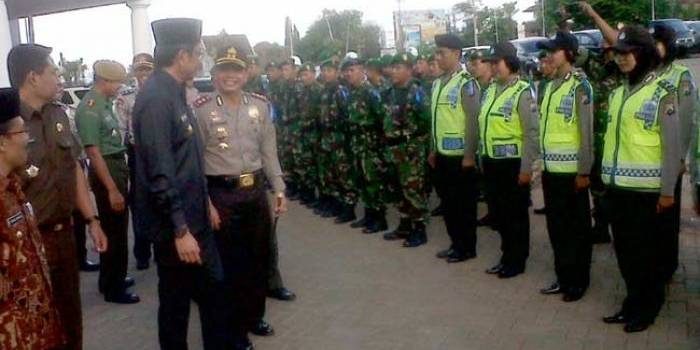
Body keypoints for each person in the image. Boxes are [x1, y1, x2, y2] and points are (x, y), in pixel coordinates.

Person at [131, 18, 231, 349]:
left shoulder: (173, 92)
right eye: (198, 53)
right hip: (179, 230)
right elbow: (161, 171)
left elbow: (187, 162)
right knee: (180, 305)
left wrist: (205, 202)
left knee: (205, 297)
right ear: (182, 56)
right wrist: (180, 230)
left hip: (193, 218)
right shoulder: (157, 99)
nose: (201, 60)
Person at [9, 43, 108, 350]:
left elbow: (74, 169)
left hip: (65, 234)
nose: (59, 77)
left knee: (70, 318)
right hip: (28, 243)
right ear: (32, 78)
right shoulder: (9, 124)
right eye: (53, 71)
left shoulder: (59, 115)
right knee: (34, 322)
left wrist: (92, 219)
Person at [193, 45, 288, 350]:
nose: (230, 76)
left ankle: (253, 316)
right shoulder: (203, 110)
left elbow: (268, 151)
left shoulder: (260, 106)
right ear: (214, 75)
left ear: (246, 74)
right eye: (224, 70)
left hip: (255, 193)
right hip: (221, 195)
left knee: (258, 259)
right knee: (230, 266)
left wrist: (279, 188)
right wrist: (205, 202)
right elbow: (195, 162)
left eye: (236, 70)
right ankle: (233, 330)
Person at [600, 25, 680, 333]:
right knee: (626, 255)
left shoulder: (662, 93)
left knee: (647, 257)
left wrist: (668, 191)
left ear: (644, 54)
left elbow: (671, 148)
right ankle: (632, 303)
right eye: (618, 54)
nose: (621, 59)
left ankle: (648, 308)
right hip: (618, 189)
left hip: (648, 193)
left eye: (627, 53)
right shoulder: (619, 93)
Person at [0, 87, 65, 350]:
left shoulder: (14, 188)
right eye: (21, 132)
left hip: (37, 331)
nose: (28, 138)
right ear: (2, 141)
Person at [536, 32, 594, 302]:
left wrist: (584, 171)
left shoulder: (580, 86)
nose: (549, 55)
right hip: (551, 172)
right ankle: (563, 277)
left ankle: (578, 282)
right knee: (557, 229)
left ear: (568, 53)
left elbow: (586, 132)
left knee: (577, 231)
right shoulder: (550, 86)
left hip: (572, 174)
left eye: (554, 51)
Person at [75, 60, 139, 304]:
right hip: (107, 170)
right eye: (117, 82)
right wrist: (112, 189)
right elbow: (93, 152)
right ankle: (114, 288)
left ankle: (111, 278)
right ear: (105, 81)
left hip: (114, 166)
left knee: (118, 228)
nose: (119, 87)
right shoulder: (90, 108)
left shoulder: (104, 104)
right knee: (115, 232)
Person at [479, 42, 539, 279]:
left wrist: (526, 168)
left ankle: (517, 260)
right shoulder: (490, 90)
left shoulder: (523, 91)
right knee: (500, 215)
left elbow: (531, 133)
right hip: (492, 163)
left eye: (497, 62)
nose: (493, 67)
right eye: (491, 62)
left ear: (510, 63)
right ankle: (506, 256)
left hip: (513, 164)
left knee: (515, 216)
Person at [429, 34, 480, 263]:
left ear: (457, 54)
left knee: (464, 205)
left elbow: (472, 121)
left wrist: (469, 155)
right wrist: (432, 148)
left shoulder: (466, 83)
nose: (437, 57)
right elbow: (435, 120)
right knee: (448, 204)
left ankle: (467, 247)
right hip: (441, 155)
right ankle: (455, 244)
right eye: (437, 52)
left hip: (461, 157)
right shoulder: (438, 83)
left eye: (442, 52)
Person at [652, 25, 697, 282]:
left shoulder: (681, 76)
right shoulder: (645, 74)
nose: (653, 47)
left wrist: (680, 158)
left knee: (668, 217)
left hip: (670, 160)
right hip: (647, 161)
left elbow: (686, 120)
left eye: (657, 42)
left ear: (668, 46)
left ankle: (667, 266)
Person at [382, 53, 431, 247]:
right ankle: (404, 223)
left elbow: (426, 120)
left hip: (410, 148)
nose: (394, 71)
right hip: (393, 147)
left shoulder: (416, 91)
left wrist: (418, 144)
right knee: (397, 188)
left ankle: (419, 228)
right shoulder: (390, 92)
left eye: (398, 68)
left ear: (409, 70)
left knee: (413, 189)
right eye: (392, 68)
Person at [115, 53, 155, 270]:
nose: (143, 75)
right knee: (140, 206)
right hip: (137, 154)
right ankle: (142, 252)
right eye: (140, 70)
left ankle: (162, 248)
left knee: (162, 201)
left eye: (147, 69)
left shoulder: (163, 95)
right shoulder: (127, 98)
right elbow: (121, 131)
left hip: (160, 153)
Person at [343, 58, 389, 233]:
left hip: (370, 143)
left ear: (362, 70)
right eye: (347, 71)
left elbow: (381, 117)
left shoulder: (370, 91)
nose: (349, 74)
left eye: (352, 70)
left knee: (373, 180)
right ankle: (369, 215)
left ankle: (379, 218)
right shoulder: (351, 92)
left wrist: (379, 144)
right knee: (361, 180)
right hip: (356, 142)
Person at [317, 57, 356, 223]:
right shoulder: (324, 91)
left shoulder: (341, 91)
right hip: (327, 138)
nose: (326, 74)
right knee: (331, 173)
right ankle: (336, 203)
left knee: (344, 174)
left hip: (339, 138)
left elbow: (347, 117)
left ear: (337, 73)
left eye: (330, 71)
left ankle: (349, 208)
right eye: (324, 71)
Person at [295, 63, 322, 207]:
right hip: (305, 133)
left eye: (306, 74)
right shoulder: (304, 91)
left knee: (317, 166)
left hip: (316, 133)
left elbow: (320, 114)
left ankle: (320, 197)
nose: (303, 78)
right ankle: (309, 194)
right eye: (302, 75)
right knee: (307, 164)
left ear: (313, 74)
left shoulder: (319, 90)